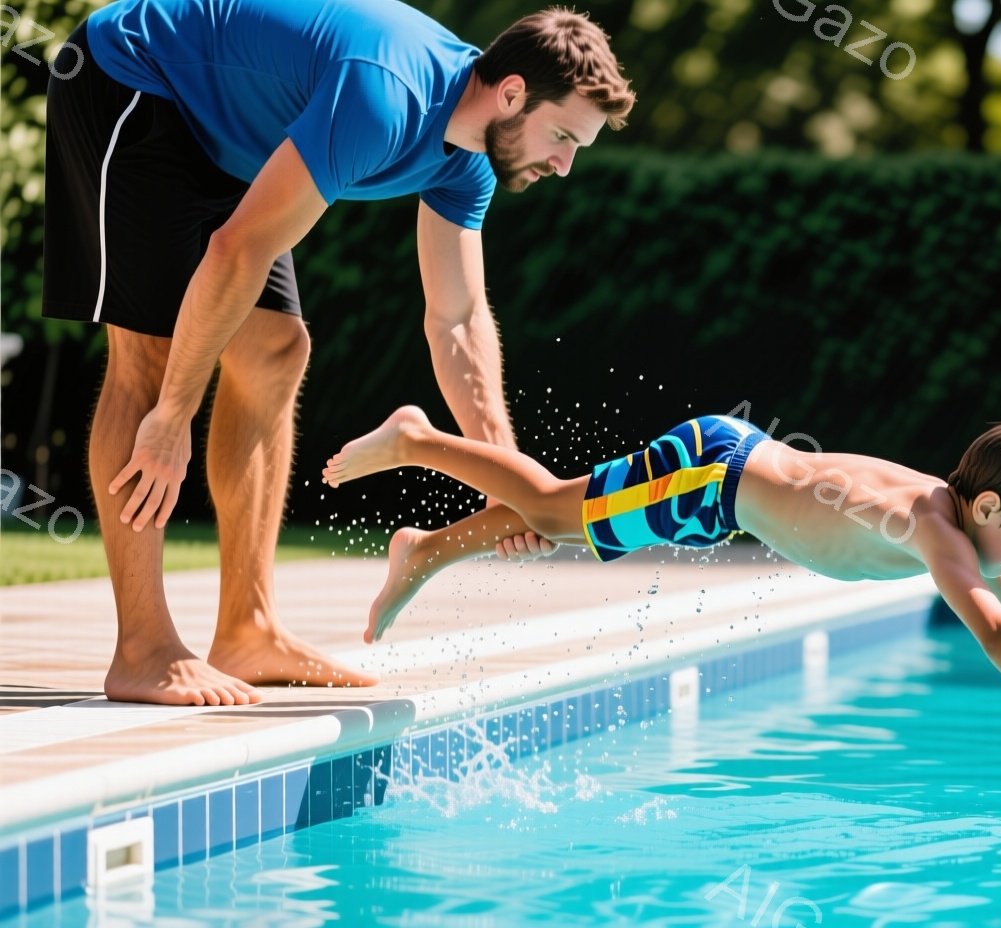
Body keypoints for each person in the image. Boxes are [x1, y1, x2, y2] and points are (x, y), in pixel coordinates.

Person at [41, 0, 635, 706]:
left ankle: (248, 630)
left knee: (276, 350)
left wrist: (503, 473)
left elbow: (457, 318)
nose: (564, 166)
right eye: (562, 137)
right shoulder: (386, 97)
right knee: (150, 359)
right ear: (511, 95)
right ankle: (142, 649)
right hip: (136, 81)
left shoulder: (467, 161)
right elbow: (238, 247)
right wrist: (174, 416)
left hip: (226, 134)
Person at [322, 406, 1001, 788]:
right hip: (715, 472)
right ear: (993, 507)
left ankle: (425, 550)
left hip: (724, 489)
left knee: (560, 524)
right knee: (553, 508)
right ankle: (418, 439)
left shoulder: (963, 527)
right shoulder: (936, 530)